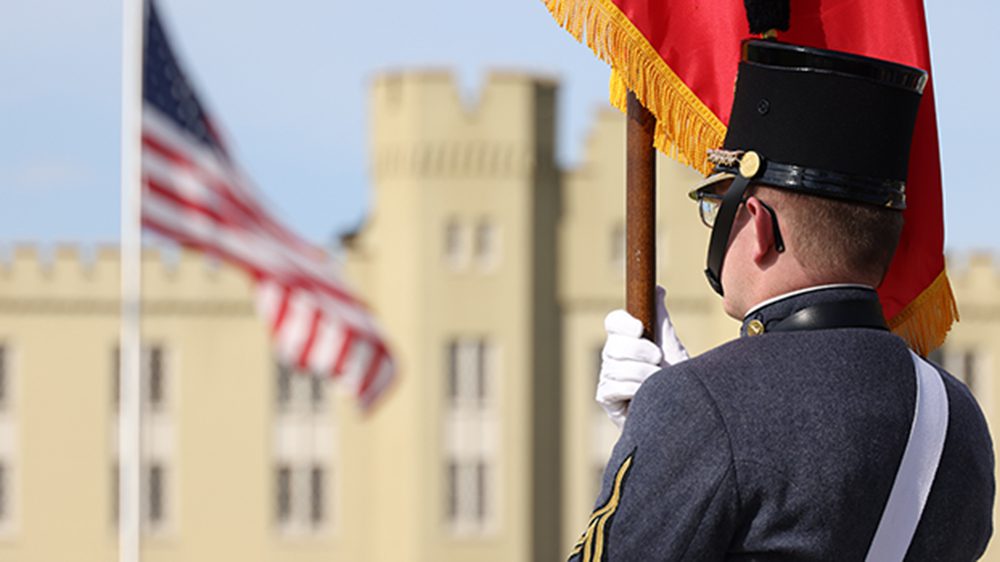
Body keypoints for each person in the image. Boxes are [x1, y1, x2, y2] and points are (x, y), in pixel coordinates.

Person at [569, 39, 994, 561]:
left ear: (759, 225)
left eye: (717, 204)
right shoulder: (959, 419)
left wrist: (673, 426)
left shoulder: (701, 407)